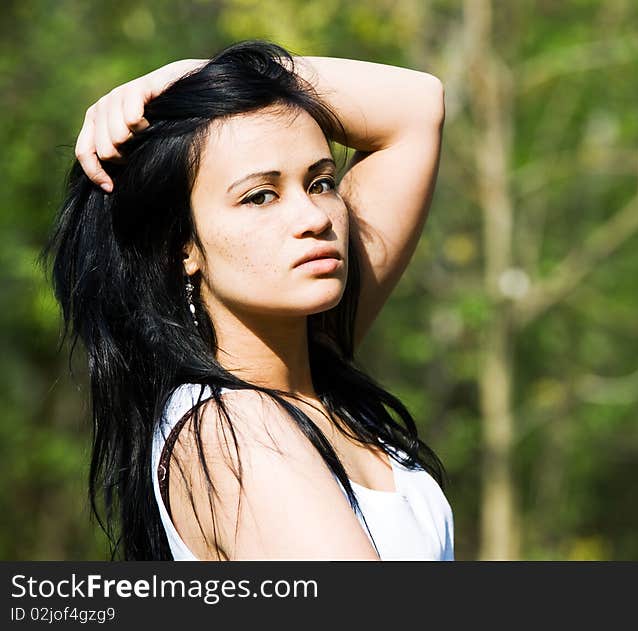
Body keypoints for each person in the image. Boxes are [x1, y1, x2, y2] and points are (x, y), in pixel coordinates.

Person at [42, 40, 453, 560]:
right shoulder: (232, 429)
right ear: (181, 247)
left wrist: (203, 75)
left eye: (321, 182)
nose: (314, 218)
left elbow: (417, 106)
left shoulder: (316, 371)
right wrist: (218, 80)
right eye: (260, 195)